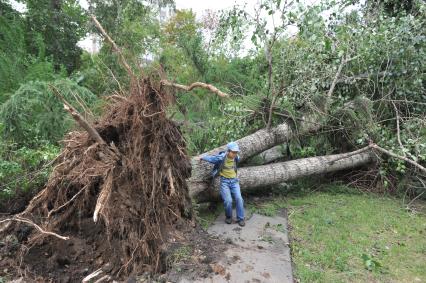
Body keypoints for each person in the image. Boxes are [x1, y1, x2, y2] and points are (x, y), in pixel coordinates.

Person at [200, 142, 245, 227]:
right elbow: (212, 159)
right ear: (228, 151)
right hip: (224, 182)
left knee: (239, 198)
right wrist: (203, 157)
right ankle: (228, 217)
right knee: (228, 201)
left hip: (234, 181)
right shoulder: (222, 157)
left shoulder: (236, 158)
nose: (235, 154)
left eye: (236, 152)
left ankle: (241, 218)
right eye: (233, 152)